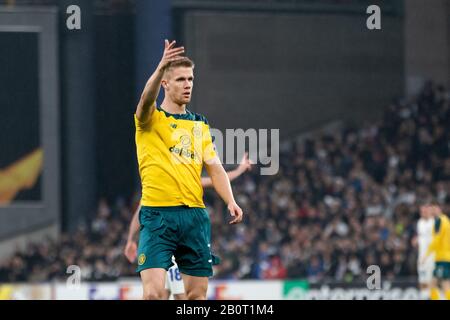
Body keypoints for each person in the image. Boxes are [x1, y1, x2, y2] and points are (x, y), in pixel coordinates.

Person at [134, 39, 243, 300]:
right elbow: (144, 100)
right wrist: (160, 66)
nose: (188, 85)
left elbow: (215, 169)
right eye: (181, 79)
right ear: (165, 84)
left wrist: (230, 200)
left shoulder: (200, 126)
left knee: (196, 296)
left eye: (190, 79)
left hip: (194, 217)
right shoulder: (150, 119)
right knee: (154, 294)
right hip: (157, 215)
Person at [124, 154, 252, 300]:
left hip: (181, 239)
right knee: (159, 294)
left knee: (181, 295)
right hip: (161, 242)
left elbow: (217, 177)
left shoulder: (186, 180)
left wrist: (239, 170)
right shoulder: (154, 187)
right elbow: (140, 212)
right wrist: (130, 239)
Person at [421, 202, 450, 300]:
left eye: (433, 208)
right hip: (445, 257)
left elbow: (436, 240)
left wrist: (426, 255)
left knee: (440, 283)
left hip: (442, 257)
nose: (432, 211)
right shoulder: (446, 220)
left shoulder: (439, 221)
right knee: (439, 283)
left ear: (438, 208)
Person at [412, 203, 435, 299]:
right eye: (421, 211)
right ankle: (424, 296)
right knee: (422, 279)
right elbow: (421, 236)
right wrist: (416, 239)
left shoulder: (434, 223)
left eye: (425, 211)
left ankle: (432, 296)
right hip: (421, 257)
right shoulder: (419, 222)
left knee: (432, 280)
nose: (423, 213)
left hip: (432, 257)